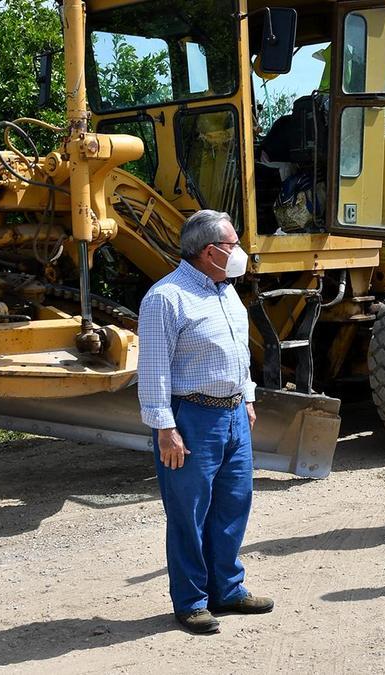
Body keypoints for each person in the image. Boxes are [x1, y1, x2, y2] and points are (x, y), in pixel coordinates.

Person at [137, 210, 273, 634]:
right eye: (233, 245)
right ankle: (192, 601)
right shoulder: (166, 298)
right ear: (209, 252)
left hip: (233, 414)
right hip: (191, 419)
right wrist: (165, 429)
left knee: (234, 504)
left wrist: (247, 398)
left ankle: (228, 590)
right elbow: (154, 370)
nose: (240, 253)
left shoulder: (225, 291)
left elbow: (238, 352)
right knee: (188, 513)